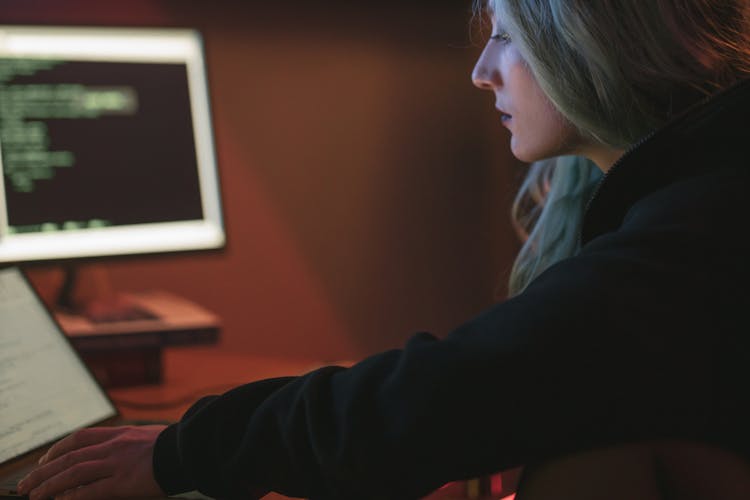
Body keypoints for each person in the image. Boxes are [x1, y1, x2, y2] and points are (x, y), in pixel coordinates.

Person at [16, 0, 750, 498]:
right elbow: (505, 382)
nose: (480, 69)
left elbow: (459, 389)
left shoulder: (702, 224)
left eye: (505, 34)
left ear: (594, 44)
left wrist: (179, 454)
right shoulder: (700, 192)